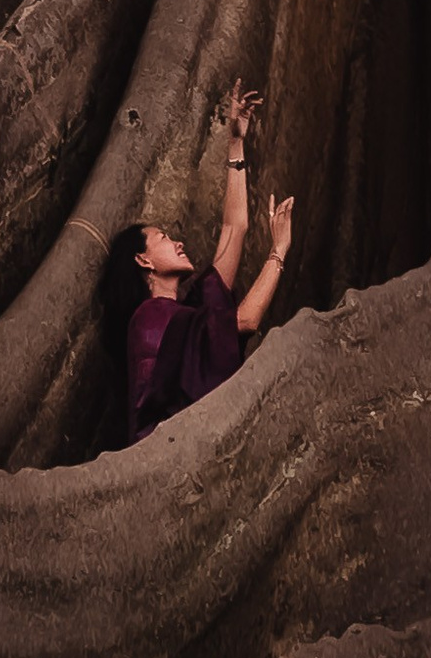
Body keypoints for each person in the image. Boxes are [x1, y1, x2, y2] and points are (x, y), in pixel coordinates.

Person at [99, 81, 295, 446]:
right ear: (143, 260)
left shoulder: (187, 313)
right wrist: (279, 250)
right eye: (163, 239)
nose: (177, 242)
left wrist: (235, 140)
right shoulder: (149, 319)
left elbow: (234, 229)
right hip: (158, 464)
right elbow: (246, 320)